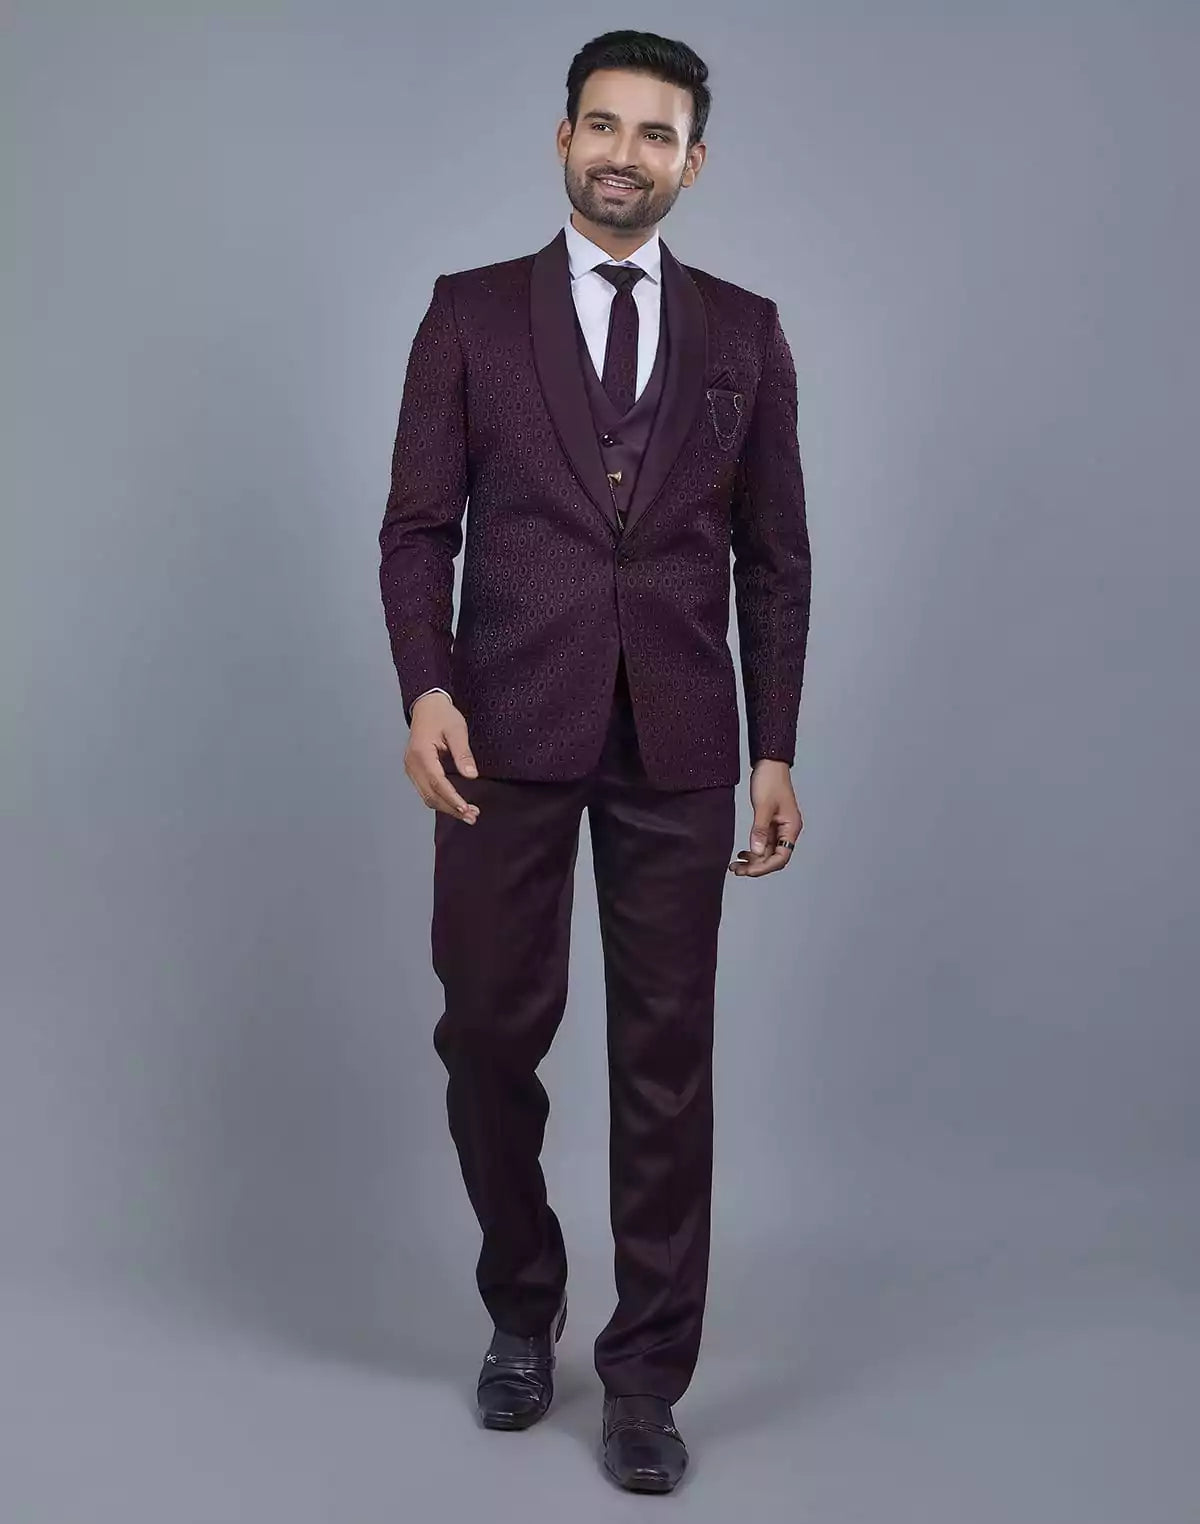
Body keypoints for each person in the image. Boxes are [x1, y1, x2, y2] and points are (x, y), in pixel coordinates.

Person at [378, 28, 811, 1494]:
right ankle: (523, 1303)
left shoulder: (744, 332)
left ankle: (645, 1377)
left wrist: (775, 745)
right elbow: (417, 529)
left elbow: (776, 559)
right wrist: (426, 688)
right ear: (563, 137)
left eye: (658, 133)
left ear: (695, 160)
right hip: (501, 726)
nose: (629, 154)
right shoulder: (469, 314)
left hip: (680, 738)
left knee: (666, 1066)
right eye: (606, 125)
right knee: (487, 1034)